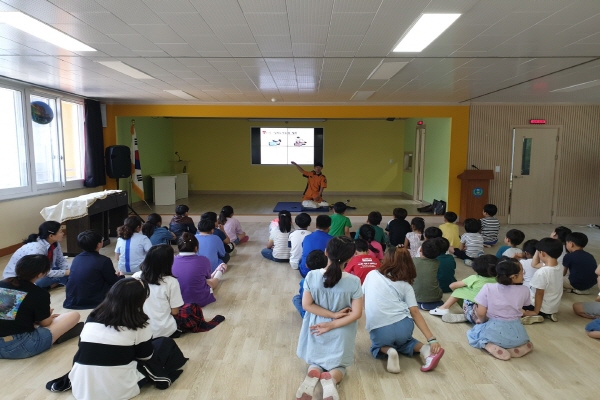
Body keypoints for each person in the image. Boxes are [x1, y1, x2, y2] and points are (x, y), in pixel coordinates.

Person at [295, 237, 363, 400]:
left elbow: (306, 305)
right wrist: (333, 322)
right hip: (342, 331)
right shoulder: (354, 281)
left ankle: (313, 374)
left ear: (326, 252)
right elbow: (357, 313)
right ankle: (331, 380)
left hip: (316, 328)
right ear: (350, 258)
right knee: (339, 366)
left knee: (315, 361)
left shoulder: (311, 276)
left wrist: (331, 316)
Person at [363, 247, 445, 374]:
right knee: (405, 341)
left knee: (377, 345)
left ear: (386, 260)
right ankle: (425, 350)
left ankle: (390, 351)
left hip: (381, 328)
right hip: (404, 326)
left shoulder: (372, 274)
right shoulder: (406, 286)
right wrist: (431, 339)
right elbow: (415, 312)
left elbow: (361, 299)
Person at [68, 278, 154, 399]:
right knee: (164, 346)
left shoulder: (92, 316)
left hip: (81, 388)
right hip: (116, 391)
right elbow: (146, 356)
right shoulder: (140, 323)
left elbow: (82, 346)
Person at [0, 255, 82, 359]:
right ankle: (56, 336)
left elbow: (6, 314)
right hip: (18, 346)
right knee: (74, 315)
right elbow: (45, 323)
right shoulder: (39, 293)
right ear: (40, 274)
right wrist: (47, 316)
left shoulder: (3, 284)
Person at [467, 259, 534, 361]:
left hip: (493, 329)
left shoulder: (488, 287)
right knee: (522, 340)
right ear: (513, 277)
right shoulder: (525, 290)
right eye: (522, 272)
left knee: (474, 334)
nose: (524, 274)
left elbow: (481, 312)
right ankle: (521, 347)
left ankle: (488, 345)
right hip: (517, 331)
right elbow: (521, 307)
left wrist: (482, 320)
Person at [133, 245, 184, 338]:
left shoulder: (135, 277)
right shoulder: (171, 282)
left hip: (139, 330)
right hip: (163, 330)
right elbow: (175, 311)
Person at [64, 230, 124, 310]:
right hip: (93, 301)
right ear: (99, 244)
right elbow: (113, 281)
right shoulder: (104, 260)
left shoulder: (77, 258)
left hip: (71, 300)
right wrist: (121, 277)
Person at [430, 255, 498, 323]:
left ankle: (444, 308)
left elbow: (452, 286)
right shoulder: (498, 280)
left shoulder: (474, 278)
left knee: (460, 289)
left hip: (474, 312)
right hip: (492, 314)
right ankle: (470, 317)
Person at [3, 221, 70, 289]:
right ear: (51, 236)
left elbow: (61, 261)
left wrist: (71, 270)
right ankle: (50, 285)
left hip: (39, 273)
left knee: (67, 271)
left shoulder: (55, 243)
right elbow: (39, 272)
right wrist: (65, 273)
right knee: (43, 281)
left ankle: (52, 285)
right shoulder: (37, 248)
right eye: (60, 232)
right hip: (18, 279)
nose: (63, 233)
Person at [172, 233, 226, 308]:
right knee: (210, 282)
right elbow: (208, 279)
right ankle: (219, 272)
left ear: (178, 247)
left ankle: (219, 270)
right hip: (200, 299)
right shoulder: (203, 260)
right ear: (196, 248)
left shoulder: (171, 260)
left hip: (178, 301)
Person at [521, 238, 564, 324]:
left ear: (543, 253)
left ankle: (535, 315)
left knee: (513, 303)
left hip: (537, 307)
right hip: (552, 307)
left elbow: (539, 294)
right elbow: (534, 264)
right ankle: (548, 314)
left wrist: (535, 311)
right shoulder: (559, 266)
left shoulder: (542, 272)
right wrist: (539, 249)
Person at [292, 250, 327, 318]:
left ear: (307, 265)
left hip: (310, 316)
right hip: (328, 312)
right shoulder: (331, 279)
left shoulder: (305, 282)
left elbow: (304, 298)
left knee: (296, 298)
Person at [412, 238, 444, 310]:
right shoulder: (438, 263)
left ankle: (420, 304)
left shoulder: (412, 260)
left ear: (420, 250)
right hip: (436, 297)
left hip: (414, 297)